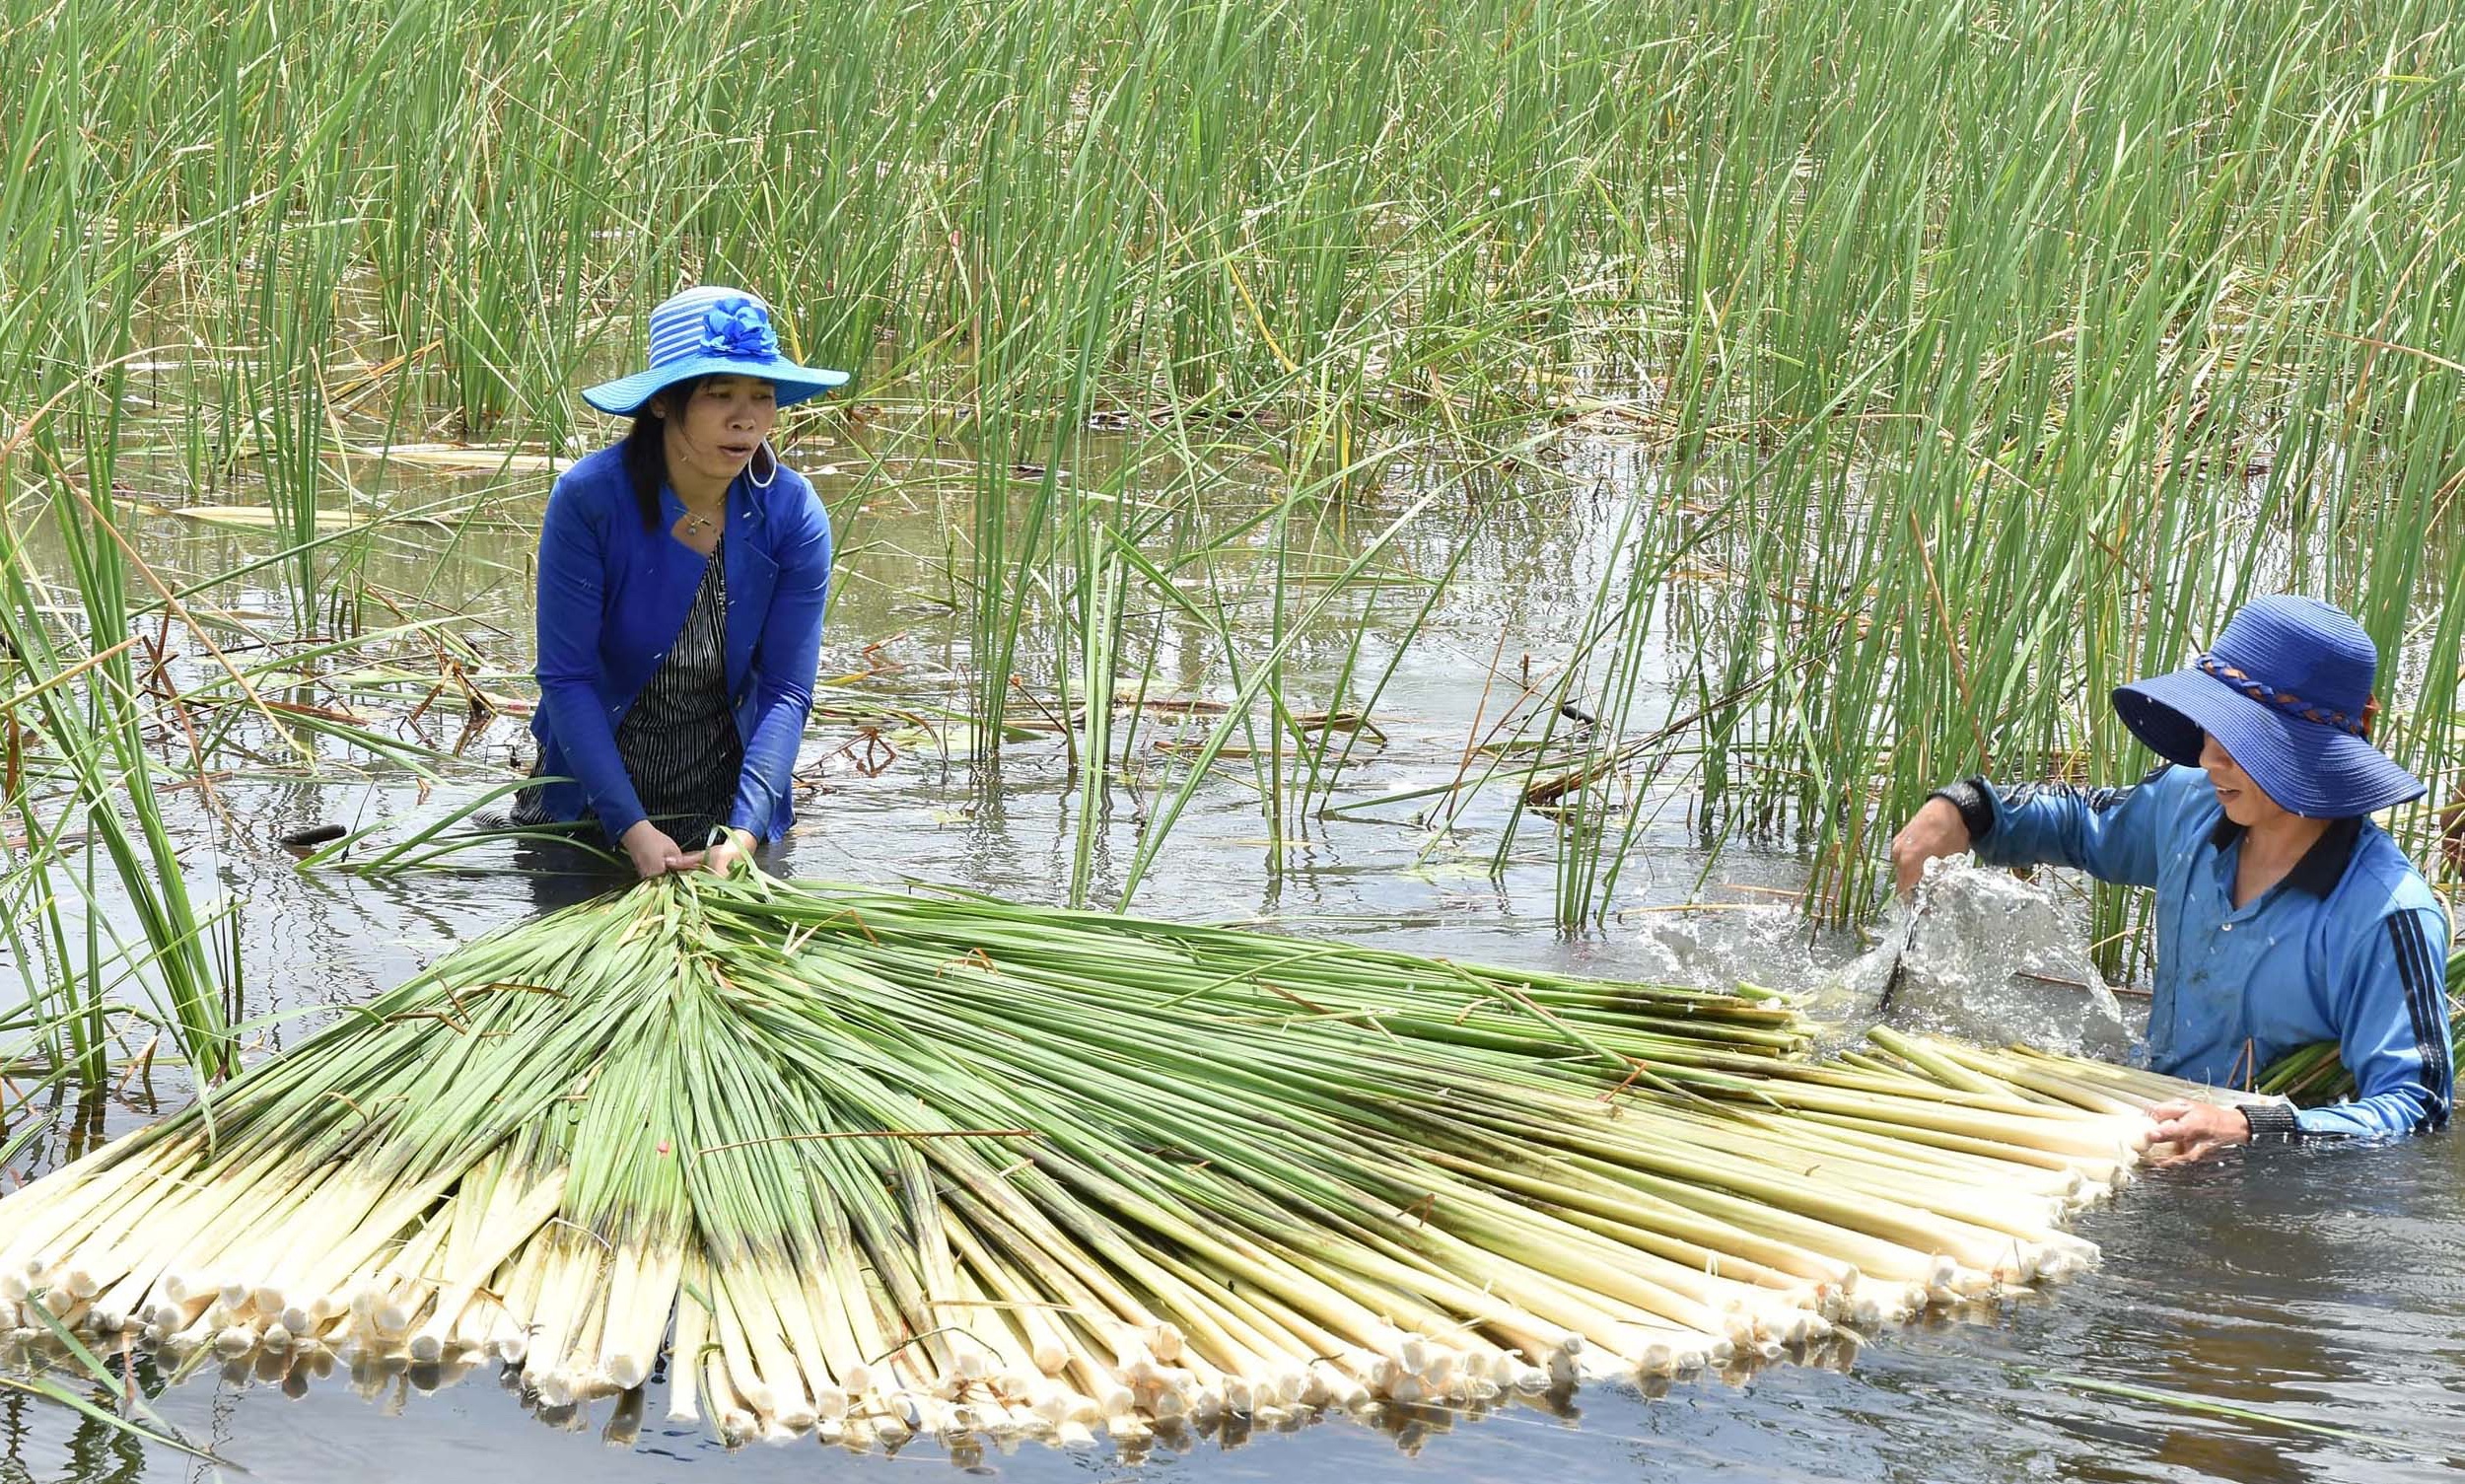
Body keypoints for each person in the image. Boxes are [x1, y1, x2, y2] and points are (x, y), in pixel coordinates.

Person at [1890, 595, 2452, 1158]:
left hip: (2252, 1174)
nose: (2210, 757)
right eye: (2211, 727)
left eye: (2240, 737)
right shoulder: (2192, 803)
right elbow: (2080, 822)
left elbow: (2416, 1107)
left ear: (2310, 753)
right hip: (2145, 1123)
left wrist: (2252, 1127)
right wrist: (1965, 810)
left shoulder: (2384, 913)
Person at [513, 285, 847, 879]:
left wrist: (744, 830)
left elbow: (785, 689)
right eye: (720, 395)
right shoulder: (590, 500)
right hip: (589, 799)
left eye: (761, 397)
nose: (746, 419)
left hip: (724, 800)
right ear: (665, 402)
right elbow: (568, 678)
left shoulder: (792, 512)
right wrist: (630, 826)